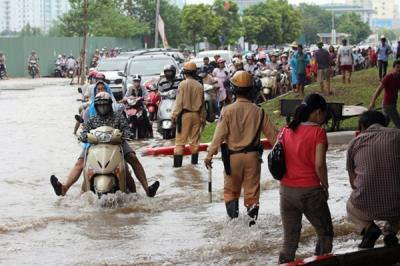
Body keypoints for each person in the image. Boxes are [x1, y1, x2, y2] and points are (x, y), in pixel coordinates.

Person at [204, 71, 278, 227]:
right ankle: (251, 227)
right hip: (253, 158)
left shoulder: (227, 111)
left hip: (233, 159)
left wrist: (209, 155)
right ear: (251, 89)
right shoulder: (259, 111)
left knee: (231, 192)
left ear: (233, 88)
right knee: (252, 194)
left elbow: (218, 136)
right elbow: (274, 138)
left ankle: (234, 226)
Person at [51, 91, 159, 197]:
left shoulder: (118, 117)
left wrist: (125, 135)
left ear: (110, 105)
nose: (103, 107)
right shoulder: (92, 120)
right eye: (100, 105)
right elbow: (84, 134)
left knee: (132, 158)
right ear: (96, 106)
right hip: (95, 147)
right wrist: (83, 136)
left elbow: (127, 130)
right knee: (79, 163)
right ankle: (64, 188)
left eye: (105, 105)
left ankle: (147, 189)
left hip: (117, 145)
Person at [278, 93, 333, 263]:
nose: (324, 118)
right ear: (317, 112)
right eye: (324, 114)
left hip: (286, 192)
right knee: (325, 234)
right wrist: (325, 185)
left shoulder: (286, 130)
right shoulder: (318, 132)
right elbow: (319, 165)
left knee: (289, 242)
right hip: (310, 192)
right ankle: (320, 261)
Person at [346, 110, 400, 248]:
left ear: (362, 126)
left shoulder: (354, 143)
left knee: (350, 206)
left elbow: (353, 183)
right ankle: (390, 233)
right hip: (396, 205)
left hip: (364, 203)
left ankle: (368, 228)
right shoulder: (398, 135)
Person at [171, 62, 206, 167]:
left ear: (185, 73)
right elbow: (203, 105)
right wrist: (203, 118)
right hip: (196, 115)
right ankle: (194, 165)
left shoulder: (182, 84)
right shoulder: (199, 86)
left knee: (180, 143)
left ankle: (177, 169)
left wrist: (174, 116)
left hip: (184, 116)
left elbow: (179, 102)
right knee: (195, 142)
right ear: (195, 73)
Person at [368, 60, 400, 128]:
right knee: (399, 124)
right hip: (388, 105)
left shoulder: (398, 78)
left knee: (384, 124)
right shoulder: (388, 77)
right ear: (393, 68)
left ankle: (375, 132)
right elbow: (378, 90)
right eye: (397, 67)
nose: (399, 69)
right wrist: (372, 102)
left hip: (392, 104)